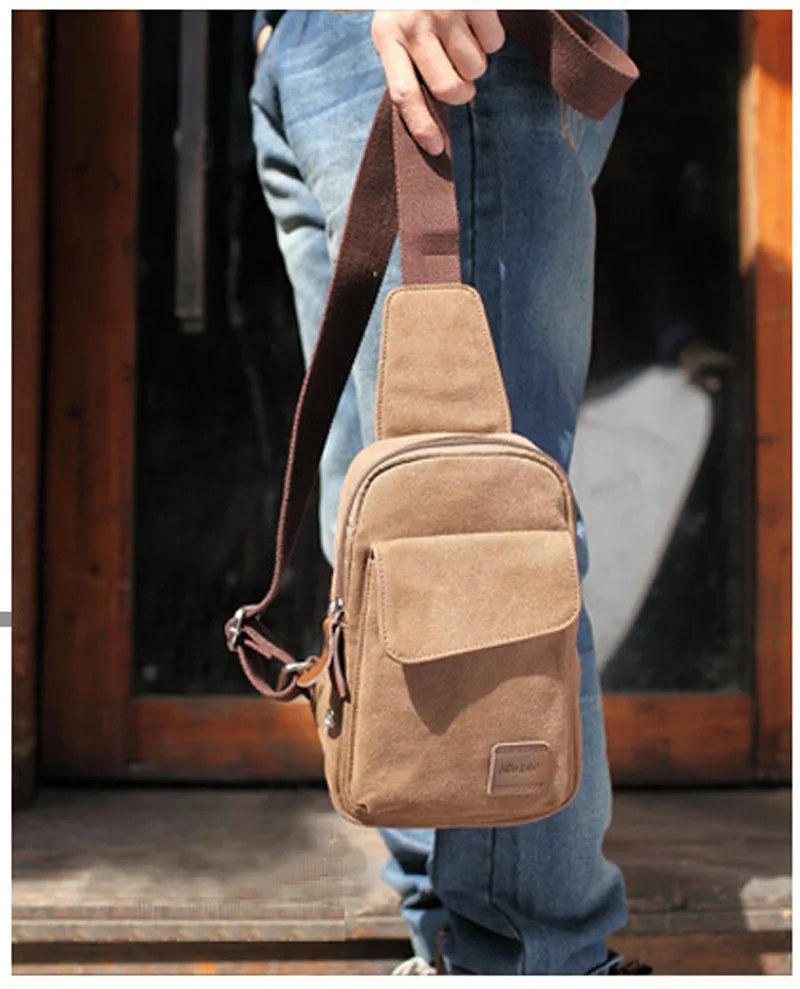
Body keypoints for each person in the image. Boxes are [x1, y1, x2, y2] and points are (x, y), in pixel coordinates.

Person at [249, 9, 649, 976]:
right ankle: (449, 940)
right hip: (310, 48)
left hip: (447, 41)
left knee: (481, 532)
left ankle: (533, 960)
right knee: (385, 535)